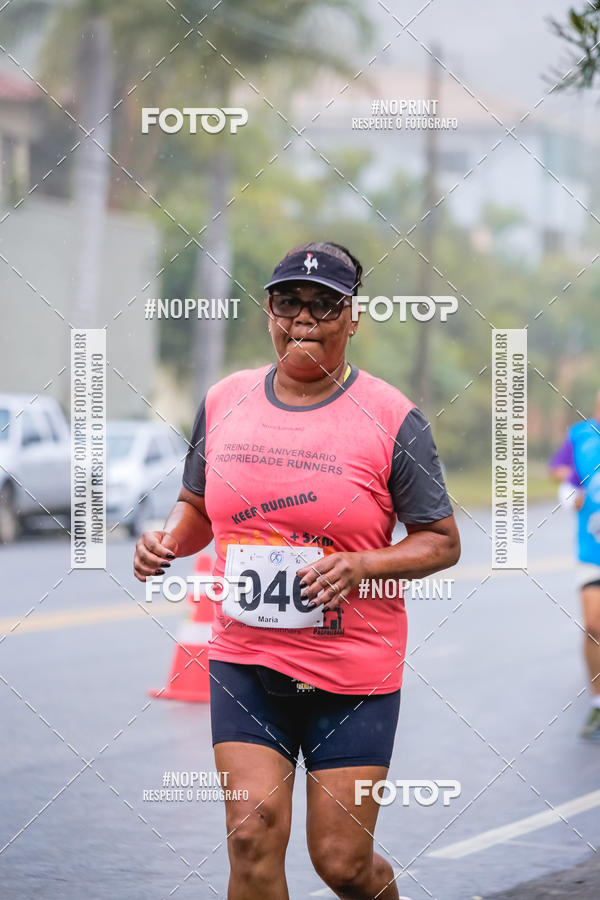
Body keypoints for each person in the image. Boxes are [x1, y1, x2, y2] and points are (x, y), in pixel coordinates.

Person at [134, 241, 461, 899]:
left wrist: (361, 565)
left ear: (352, 317)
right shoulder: (225, 400)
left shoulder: (393, 418)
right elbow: (197, 506)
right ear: (268, 309)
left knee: (341, 863)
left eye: (323, 305)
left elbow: (441, 541)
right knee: (251, 836)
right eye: (289, 302)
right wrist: (166, 540)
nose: (303, 319)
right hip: (246, 661)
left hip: (352, 673)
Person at [550, 389, 600, 740]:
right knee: (595, 625)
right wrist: (571, 495)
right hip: (591, 551)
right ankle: (599, 703)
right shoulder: (581, 436)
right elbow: (562, 476)